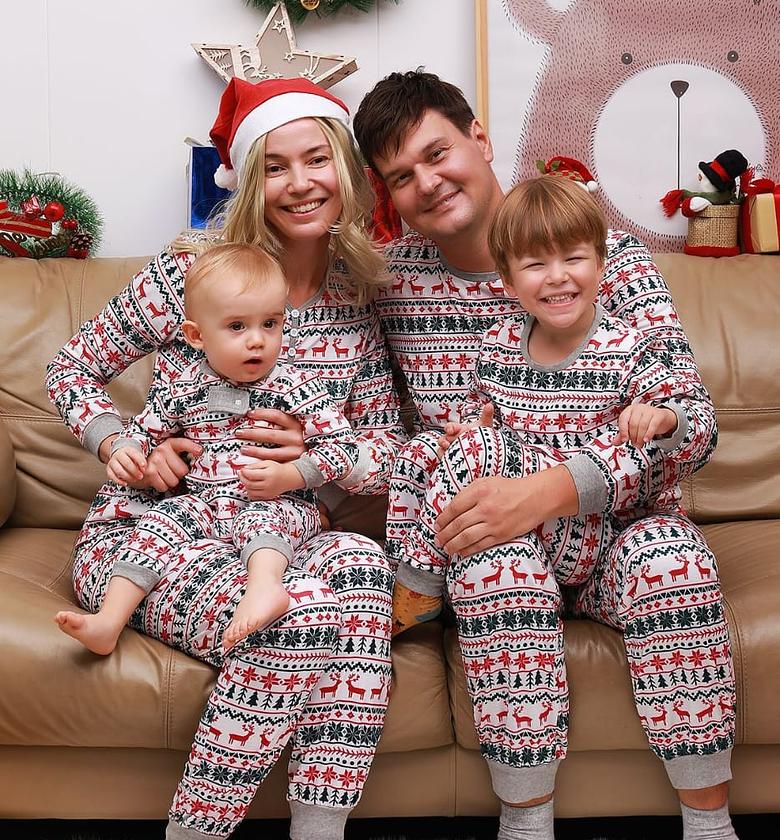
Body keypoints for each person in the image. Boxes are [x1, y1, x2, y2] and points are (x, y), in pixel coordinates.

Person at [354, 71, 737, 840]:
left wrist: (554, 488)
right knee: (491, 554)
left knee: (674, 561)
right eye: (402, 176)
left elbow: (691, 426)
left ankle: (710, 819)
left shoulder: (606, 260)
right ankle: (525, 820)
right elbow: (372, 417)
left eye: (439, 153)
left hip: (617, 528)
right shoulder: (390, 284)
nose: (428, 182)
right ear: (387, 195)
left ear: (481, 139)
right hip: (489, 541)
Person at [46, 77, 405, 840]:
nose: (301, 183)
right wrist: (123, 443)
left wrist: (314, 458)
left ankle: (318, 830)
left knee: (363, 571)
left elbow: (384, 454)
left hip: (277, 533)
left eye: (317, 160)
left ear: (345, 167)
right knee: (302, 615)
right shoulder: (189, 279)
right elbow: (69, 367)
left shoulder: (355, 299)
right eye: (276, 165)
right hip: (156, 532)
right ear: (248, 180)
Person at [390, 174, 688, 629]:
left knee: (476, 452)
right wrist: (470, 431)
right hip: (529, 537)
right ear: (508, 281)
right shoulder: (497, 346)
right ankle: (408, 576)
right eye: (535, 265)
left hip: (596, 529)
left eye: (573, 258)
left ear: (602, 265)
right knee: (422, 451)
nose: (557, 276)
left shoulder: (631, 346)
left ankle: (421, 584)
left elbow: (679, 413)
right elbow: (483, 414)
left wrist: (661, 416)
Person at [56, 242, 365, 655]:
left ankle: (264, 588)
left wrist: (291, 475)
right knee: (160, 523)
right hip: (204, 502)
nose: (257, 341)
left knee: (265, 519)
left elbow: (342, 447)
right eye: (238, 327)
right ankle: (108, 621)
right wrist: (126, 450)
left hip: (274, 500)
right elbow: (147, 426)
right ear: (196, 336)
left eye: (271, 324)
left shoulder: (296, 386)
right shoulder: (184, 384)